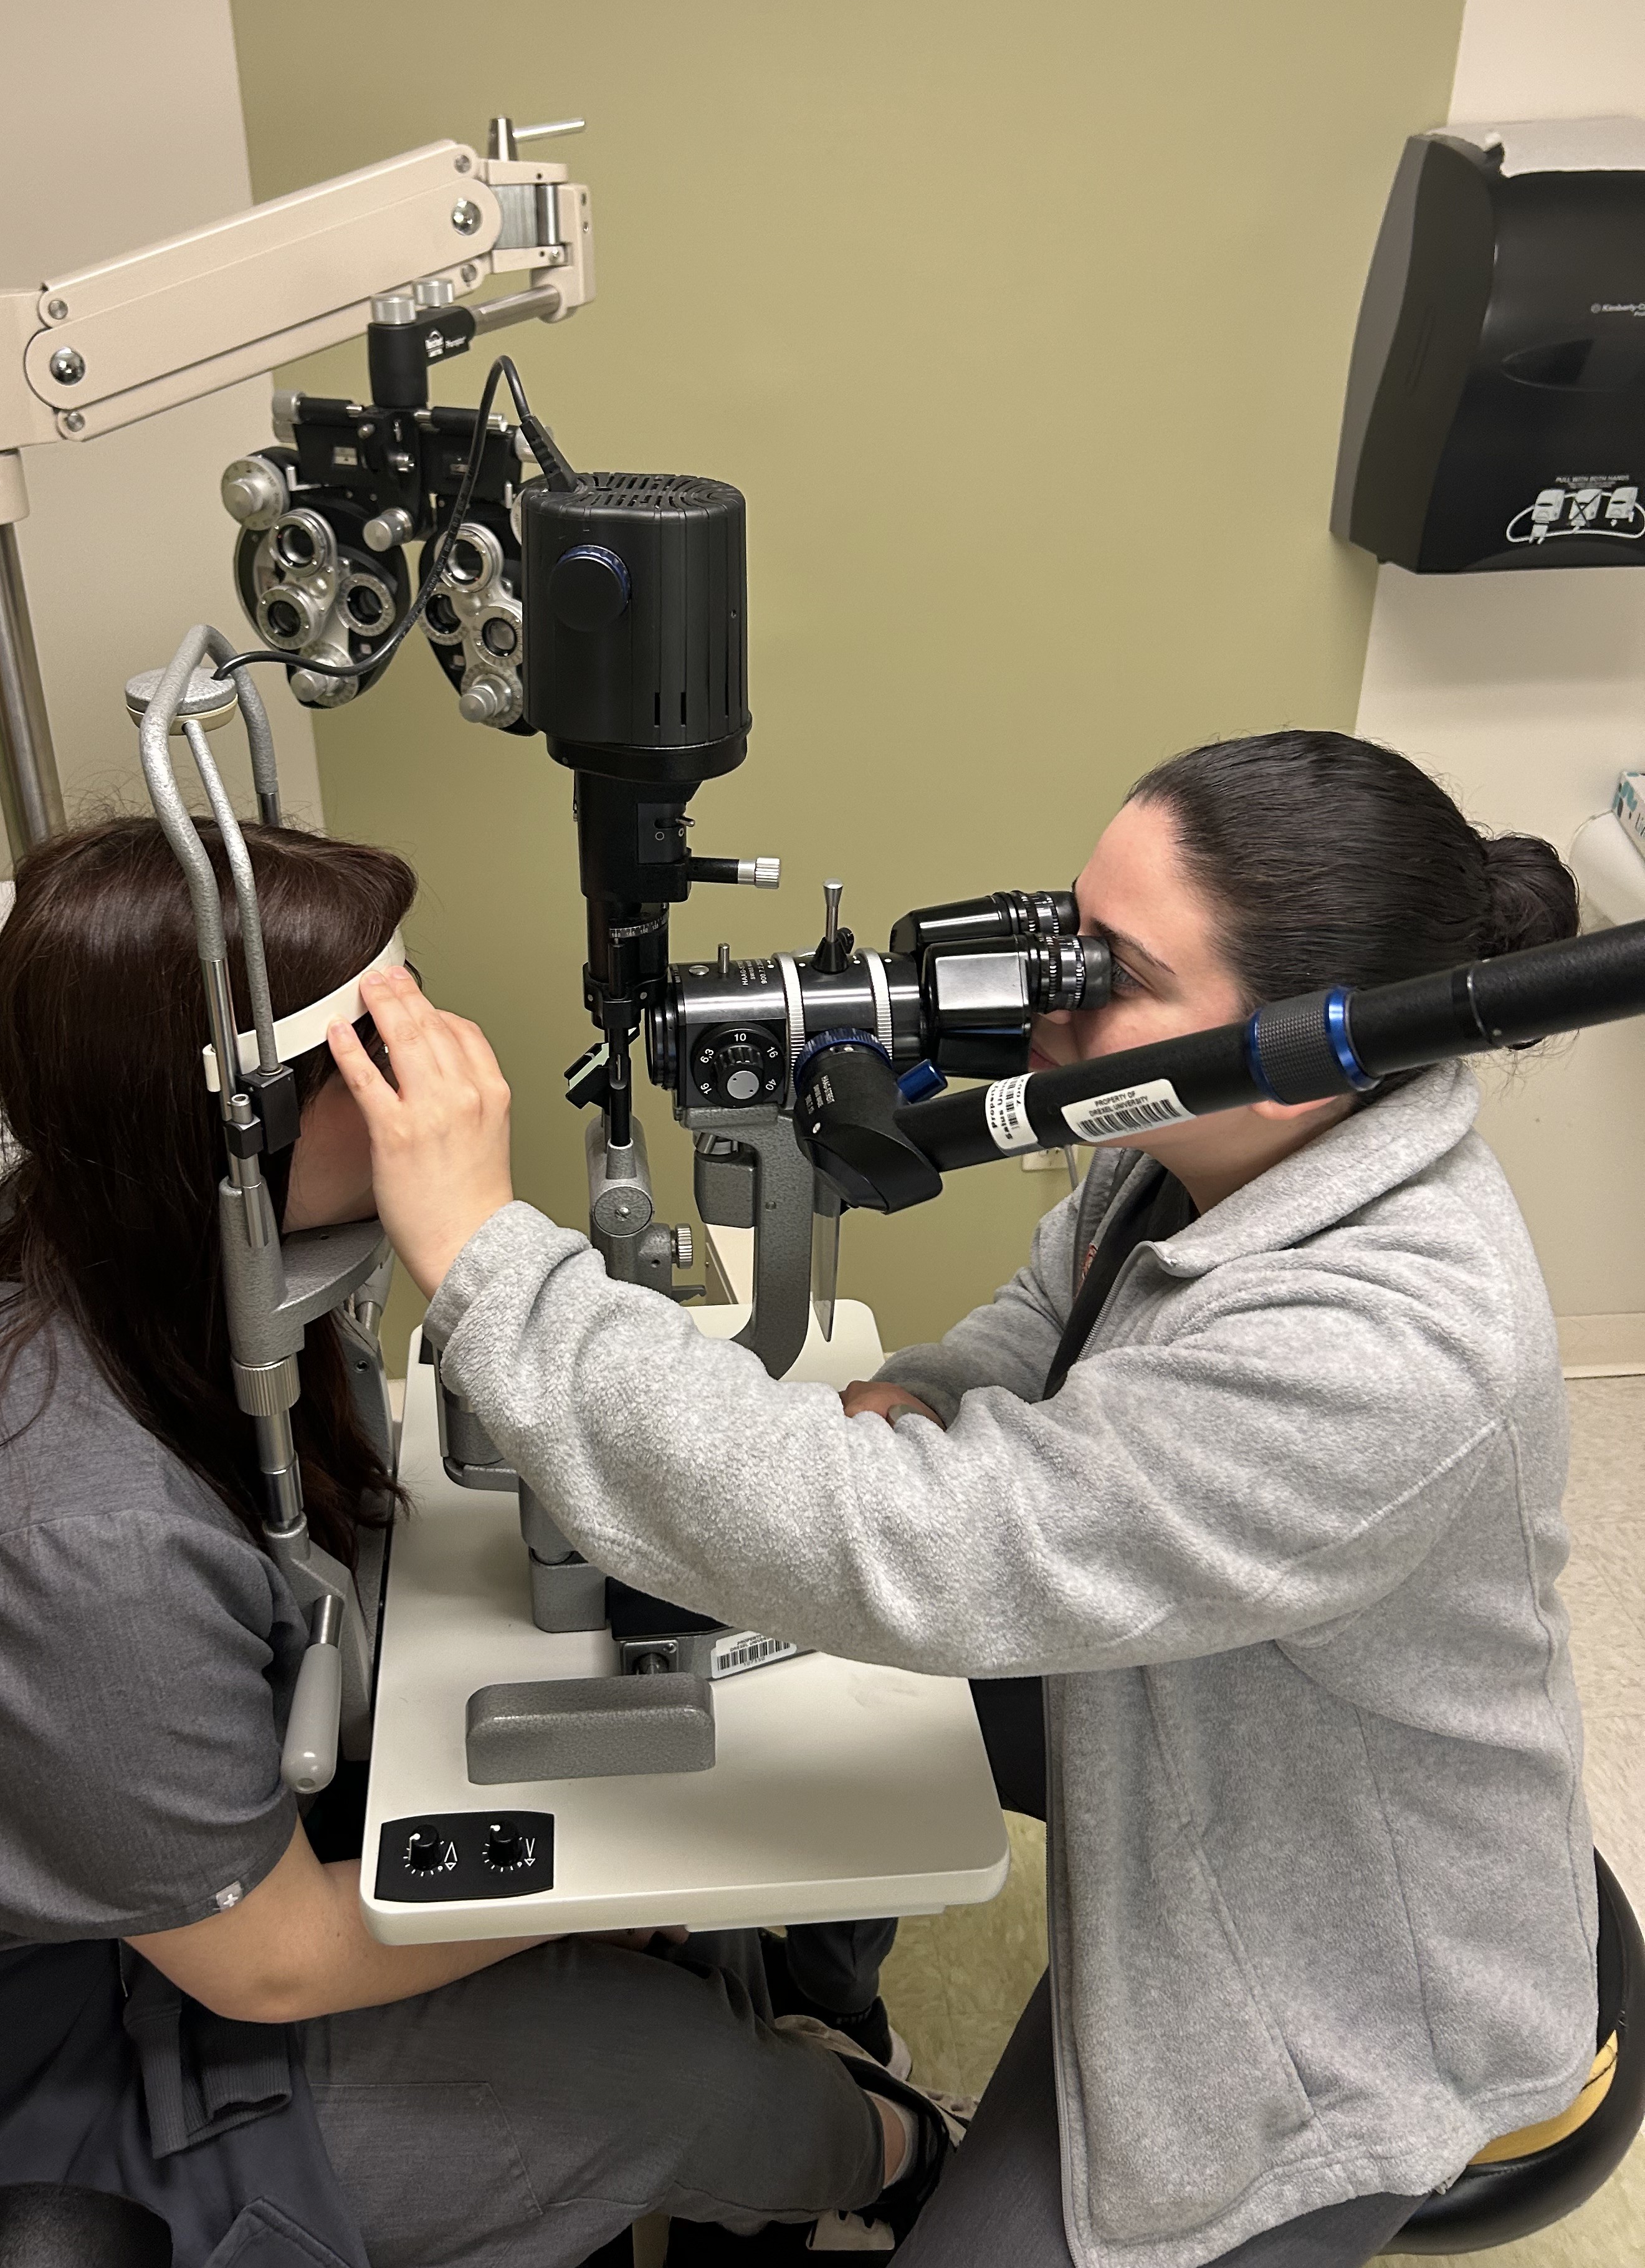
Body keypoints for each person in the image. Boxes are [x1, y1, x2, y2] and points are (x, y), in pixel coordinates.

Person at [323, 730, 1601, 2268]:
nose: (1051, 999)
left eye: (1106, 971)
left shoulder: (1387, 1350)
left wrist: (482, 1260)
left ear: (1307, 1046)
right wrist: (927, 1388)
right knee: (749, 1645)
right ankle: (819, 1981)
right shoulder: (1205, 1147)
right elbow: (1055, 1321)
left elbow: (915, 1550)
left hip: (1326, 1957)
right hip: (1194, 1687)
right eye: (1064, 928)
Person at [0, 818, 948, 2268]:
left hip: (122, 1899)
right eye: (383, 1042)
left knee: (665, 1938)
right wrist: (641, 1867)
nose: (447, 1065)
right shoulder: (59, 1533)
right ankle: (900, 2163)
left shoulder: (139, 1239)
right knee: (669, 2067)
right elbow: (262, 1966)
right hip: (16, 2071)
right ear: (229, 1123)